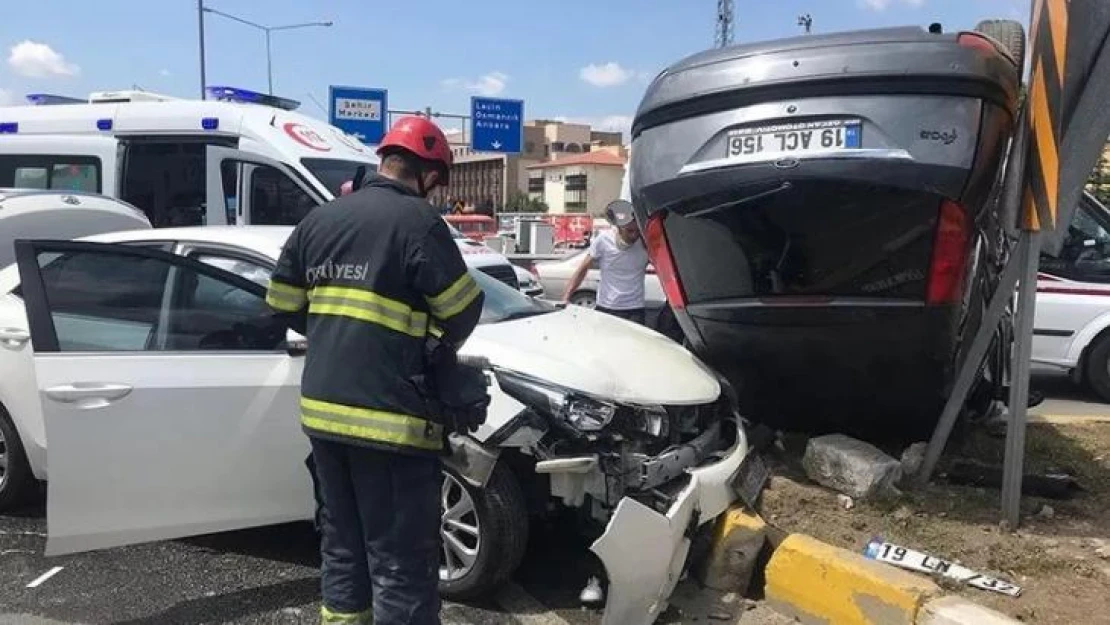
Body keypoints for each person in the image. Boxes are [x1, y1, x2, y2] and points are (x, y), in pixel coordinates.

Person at [265, 115, 485, 625]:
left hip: (323, 415)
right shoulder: (419, 223)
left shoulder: (320, 220)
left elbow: (280, 302)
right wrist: (422, 344)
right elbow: (461, 310)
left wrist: (334, 331)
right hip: (390, 422)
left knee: (342, 550)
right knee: (401, 564)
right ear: (429, 174)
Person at [562, 199, 650, 324]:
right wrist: (566, 297)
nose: (634, 235)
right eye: (630, 231)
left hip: (634, 309)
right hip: (607, 308)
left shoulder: (645, 244)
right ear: (619, 227)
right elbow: (582, 269)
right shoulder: (603, 240)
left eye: (637, 231)